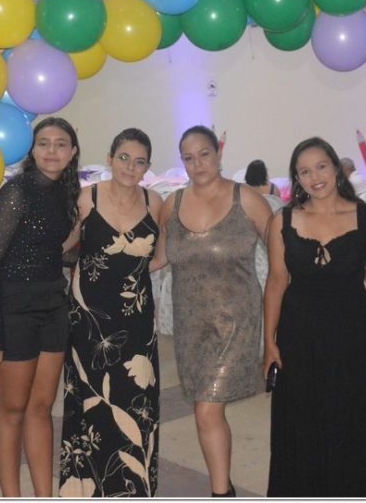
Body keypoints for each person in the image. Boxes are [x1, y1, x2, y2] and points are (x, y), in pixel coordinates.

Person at [151, 125, 272, 497]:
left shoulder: (246, 199)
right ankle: (223, 488)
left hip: (236, 322)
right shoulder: (173, 204)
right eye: (188, 158)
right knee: (206, 409)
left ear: (218, 153)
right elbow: (158, 258)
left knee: (206, 409)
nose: (197, 163)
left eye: (204, 154)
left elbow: (283, 254)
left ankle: (221, 493)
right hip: (191, 325)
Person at [263, 137, 366, 497]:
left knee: (351, 418)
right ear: (296, 178)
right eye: (304, 171)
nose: (315, 177)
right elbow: (276, 282)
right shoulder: (283, 220)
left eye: (320, 167)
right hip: (298, 336)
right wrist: (269, 341)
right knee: (301, 420)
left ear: (335, 167)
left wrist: (347, 286)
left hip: (352, 336)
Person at [0, 117, 81, 497]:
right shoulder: (17, 191)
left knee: (41, 407)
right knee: (12, 409)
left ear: (72, 151)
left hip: (53, 307)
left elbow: (55, 250)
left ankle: (43, 495)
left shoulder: (66, 193)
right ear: (32, 150)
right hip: (13, 309)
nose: (52, 151)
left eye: (61, 143)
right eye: (44, 143)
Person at [59, 128, 163, 498]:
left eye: (139, 162)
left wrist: (129, 274)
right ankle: (87, 489)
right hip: (89, 319)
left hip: (136, 320)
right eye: (124, 158)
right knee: (91, 405)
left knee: (135, 403)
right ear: (110, 158)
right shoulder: (86, 198)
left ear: (147, 167)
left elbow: (162, 254)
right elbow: (62, 245)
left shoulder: (154, 202)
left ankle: (133, 489)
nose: (130, 167)